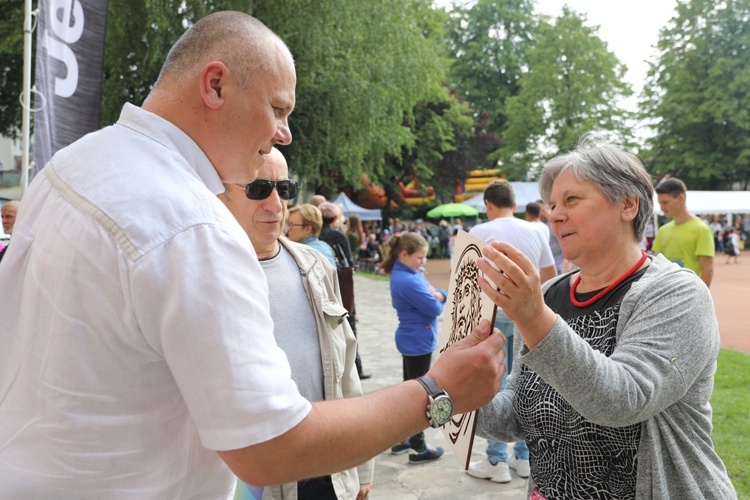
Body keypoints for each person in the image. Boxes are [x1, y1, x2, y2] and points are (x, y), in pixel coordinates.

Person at [0, 12, 507, 497]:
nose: (283, 133)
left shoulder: (69, 165)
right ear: (215, 85)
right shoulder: (193, 223)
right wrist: (439, 393)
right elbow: (270, 446)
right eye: (279, 109)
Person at [473, 139, 736, 499]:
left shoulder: (677, 294)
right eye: (552, 205)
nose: (555, 215)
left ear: (628, 204)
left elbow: (623, 400)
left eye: (572, 200)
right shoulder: (549, 294)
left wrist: (533, 317)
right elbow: (519, 414)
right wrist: (456, 395)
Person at [219, 148, 373, 500]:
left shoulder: (315, 266)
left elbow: (346, 369)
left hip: (329, 475)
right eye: (258, 188)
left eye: (284, 189)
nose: (275, 204)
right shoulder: (206, 274)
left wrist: (361, 465)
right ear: (221, 192)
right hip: (258, 485)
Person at [467, 180, 557, 484]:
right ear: (515, 202)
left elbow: (466, 280)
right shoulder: (536, 229)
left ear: (488, 204)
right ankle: (523, 455)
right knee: (527, 381)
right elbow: (550, 275)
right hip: (529, 314)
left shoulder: (479, 232)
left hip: (493, 314)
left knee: (497, 381)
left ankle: (496, 458)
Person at [382, 232, 447, 464]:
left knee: (410, 390)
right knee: (420, 396)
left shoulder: (408, 272)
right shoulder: (408, 279)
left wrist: (438, 294)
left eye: (425, 258)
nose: (423, 262)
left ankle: (405, 439)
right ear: (404, 254)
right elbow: (435, 308)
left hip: (415, 339)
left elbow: (435, 294)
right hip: (417, 341)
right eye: (419, 257)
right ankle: (418, 447)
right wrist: (439, 295)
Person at [318, 201, 372, 380]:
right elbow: (348, 264)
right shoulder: (337, 235)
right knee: (349, 326)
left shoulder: (316, 234)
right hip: (341, 284)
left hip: (322, 287)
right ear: (335, 217)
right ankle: (356, 368)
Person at [653, 178, 715, 288]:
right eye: (660, 203)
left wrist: (700, 298)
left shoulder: (702, 229)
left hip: (690, 291)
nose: (662, 207)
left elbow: (707, 269)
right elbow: (656, 264)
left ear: (681, 198)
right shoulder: (663, 230)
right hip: (665, 292)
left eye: (665, 202)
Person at [536, 199, 565, 274]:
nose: (540, 213)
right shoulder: (540, 226)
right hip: (546, 268)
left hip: (559, 266)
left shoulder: (555, 225)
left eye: (542, 210)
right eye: (538, 211)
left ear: (548, 208)